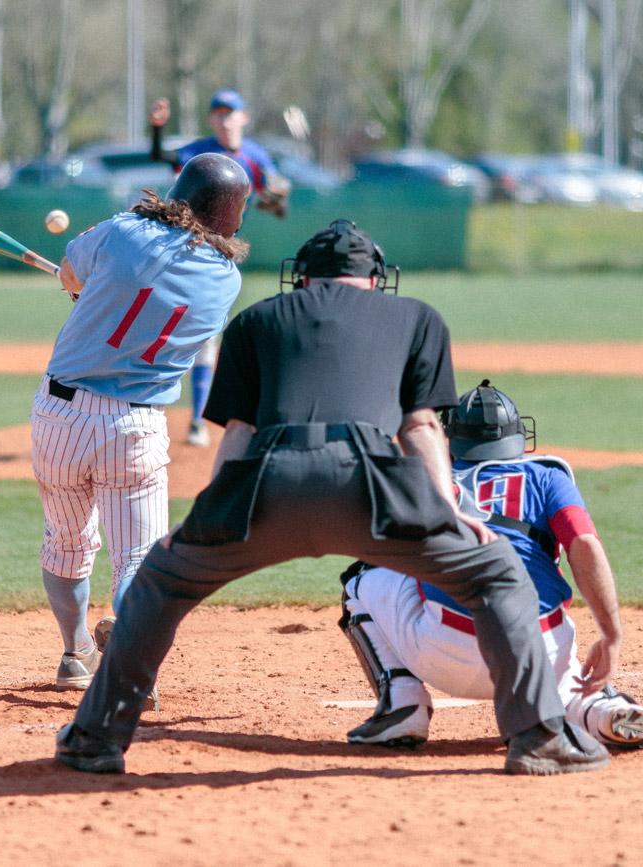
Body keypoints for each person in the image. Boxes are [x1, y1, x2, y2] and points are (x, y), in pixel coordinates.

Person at [55, 220, 610, 776]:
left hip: (265, 483)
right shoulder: (417, 317)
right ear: (375, 278)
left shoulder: (254, 321)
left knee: (160, 581)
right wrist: (453, 508)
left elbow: (239, 436)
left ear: (302, 278)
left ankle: (94, 739)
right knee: (494, 573)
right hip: (371, 483)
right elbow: (420, 429)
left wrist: (204, 518)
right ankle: (537, 738)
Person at [337, 381, 643, 750]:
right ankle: (602, 711)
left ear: (449, 439)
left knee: (361, 577)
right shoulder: (547, 477)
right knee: (569, 688)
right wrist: (611, 635)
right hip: (537, 651)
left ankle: (403, 705)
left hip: (444, 651)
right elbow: (584, 544)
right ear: (519, 436)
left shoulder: (428, 483)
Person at [31, 153, 251, 709]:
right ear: (228, 216)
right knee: (139, 561)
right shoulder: (225, 279)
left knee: (67, 542)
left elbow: (73, 273)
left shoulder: (123, 230)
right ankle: (134, 675)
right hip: (134, 424)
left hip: (60, 414)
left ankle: (74, 652)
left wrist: (84, 287)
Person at [149, 89, 292, 447]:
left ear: (243, 118)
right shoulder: (201, 151)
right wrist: (157, 129)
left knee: (206, 336)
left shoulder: (255, 155)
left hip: (218, 251)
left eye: (232, 113)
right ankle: (157, 405)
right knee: (176, 327)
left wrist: (276, 197)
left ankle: (196, 420)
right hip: (182, 245)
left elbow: (273, 202)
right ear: (212, 119)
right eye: (219, 113)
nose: (225, 119)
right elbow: (163, 156)